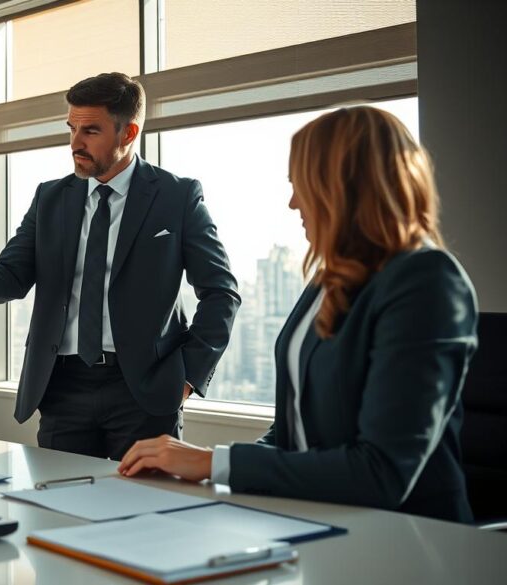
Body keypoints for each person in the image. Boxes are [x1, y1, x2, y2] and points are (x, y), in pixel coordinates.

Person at [118, 106, 478, 523]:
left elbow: (381, 472)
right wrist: (208, 468)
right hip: (316, 521)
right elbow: (294, 430)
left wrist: (213, 464)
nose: (293, 203)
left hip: (408, 537)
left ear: (344, 187)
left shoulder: (426, 279)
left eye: (301, 185)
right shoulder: (329, 278)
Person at [0, 73, 240, 460]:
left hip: (144, 390)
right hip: (62, 388)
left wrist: (187, 378)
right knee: (60, 494)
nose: (75, 143)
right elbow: (11, 275)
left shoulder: (176, 196)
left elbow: (221, 292)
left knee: (141, 497)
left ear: (129, 132)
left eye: (90, 131)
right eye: (71, 128)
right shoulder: (51, 198)